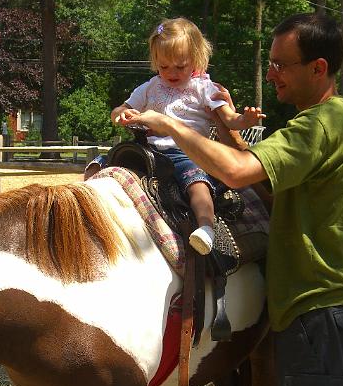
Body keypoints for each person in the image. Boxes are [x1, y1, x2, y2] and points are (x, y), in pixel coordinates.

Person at [124, 12, 343, 386]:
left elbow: (237, 174)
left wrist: (170, 122)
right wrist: (225, 127)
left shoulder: (321, 124)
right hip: (310, 309)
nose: (271, 74)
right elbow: (259, 175)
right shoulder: (329, 122)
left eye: (282, 65)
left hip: (317, 308)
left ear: (319, 67)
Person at [90, 17, 264, 255]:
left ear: (196, 59)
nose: (170, 73)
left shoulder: (204, 88)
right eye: (163, 67)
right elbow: (118, 109)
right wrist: (122, 114)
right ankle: (84, 203)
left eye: (180, 66)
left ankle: (206, 227)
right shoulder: (150, 86)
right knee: (100, 163)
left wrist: (246, 120)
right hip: (149, 151)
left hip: (187, 152)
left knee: (197, 183)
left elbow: (229, 118)